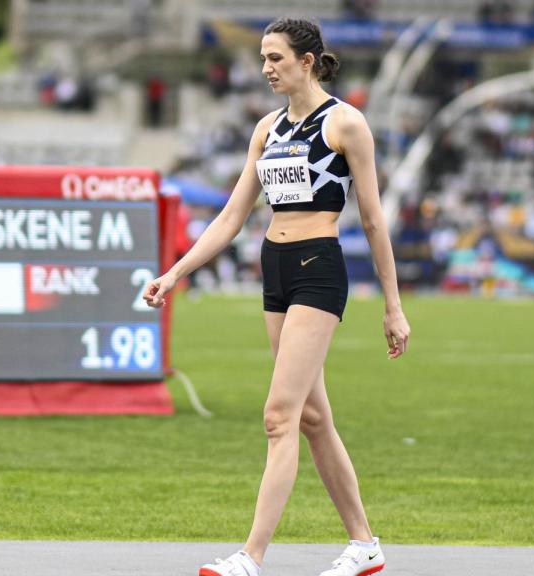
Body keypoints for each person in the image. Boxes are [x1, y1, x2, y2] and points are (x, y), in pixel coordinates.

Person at [142, 18, 410, 576]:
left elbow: (374, 220)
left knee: (278, 416)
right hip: (276, 269)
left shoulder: (345, 124)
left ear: (307, 60)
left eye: (276, 58)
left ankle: (251, 555)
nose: (266, 68)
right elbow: (232, 217)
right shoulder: (265, 129)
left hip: (318, 269)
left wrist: (393, 305)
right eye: (263, 58)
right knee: (313, 418)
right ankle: (364, 545)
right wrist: (174, 273)